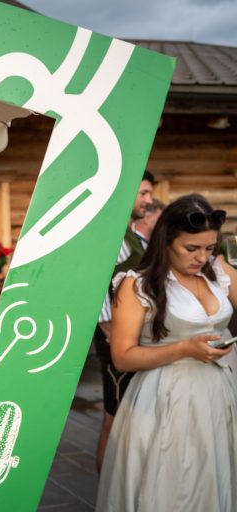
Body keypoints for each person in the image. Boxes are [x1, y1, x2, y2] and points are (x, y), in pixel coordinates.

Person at [96, 194, 237, 511]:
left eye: (210, 248)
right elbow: (122, 357)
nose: (202, 257)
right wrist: (184, 348)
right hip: (166, 397)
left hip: (218, 392)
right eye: (192, 248)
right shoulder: (137, 285)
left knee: (215, 475)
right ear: (167, 240)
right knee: (173, 484)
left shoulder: (218, 271)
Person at [93, 170, 154, 472]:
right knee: (114, 417)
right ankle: (108, 489)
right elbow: (95, 283)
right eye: (143, 193)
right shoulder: (110, 234)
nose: (149, 200)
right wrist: (110, 329)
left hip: (133, 338)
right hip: (117, 338)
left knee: (130, 416)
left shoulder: (131, 233)